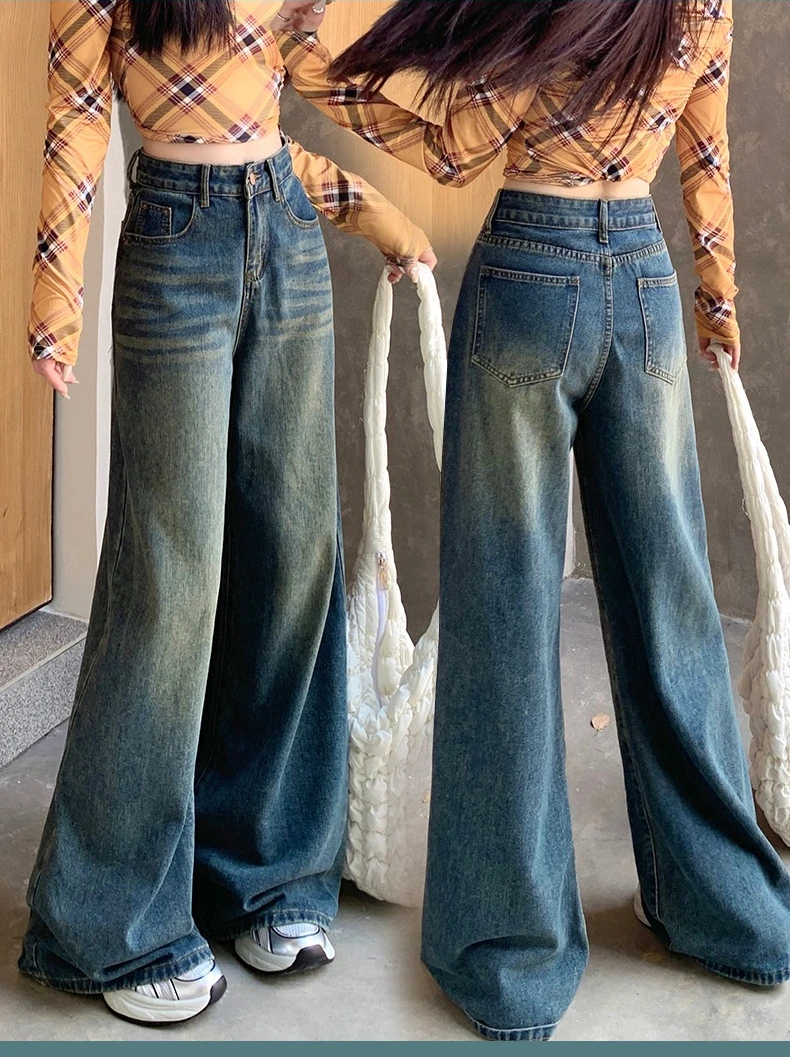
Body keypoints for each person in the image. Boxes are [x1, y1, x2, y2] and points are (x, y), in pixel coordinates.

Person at [273, 0, 790, 1041]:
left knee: (504, 612)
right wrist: (717, 299)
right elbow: (705, 152)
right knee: (672, 606)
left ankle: (510, 957)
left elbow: (457, 150)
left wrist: (313, 70)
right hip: (643, 279)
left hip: (528, 275)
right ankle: (729, 915)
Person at [21, 0, 434, 1026]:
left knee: (293, 561)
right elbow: (76, 118)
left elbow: (307, 86)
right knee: (170, 581)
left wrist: (385, 198)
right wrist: (54, 297)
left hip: (286, 237)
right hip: (174, 243)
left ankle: (269, 877)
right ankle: (109, 927)